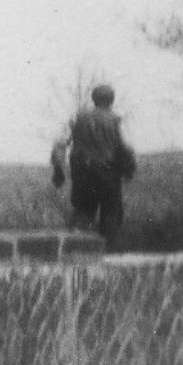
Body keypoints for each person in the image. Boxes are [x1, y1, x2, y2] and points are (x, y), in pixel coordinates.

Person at [55, 82, 138, 248]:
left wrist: (58, 168)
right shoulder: (115, 119)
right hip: (108, 173)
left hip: (82, 173)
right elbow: (125, 148)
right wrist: (130, 169)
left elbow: (61, 143)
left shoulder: (78, 117)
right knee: (111, 214)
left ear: (93, 99)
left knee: (83, 213)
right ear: (111, 100)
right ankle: (107, 253)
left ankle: (76, 252)